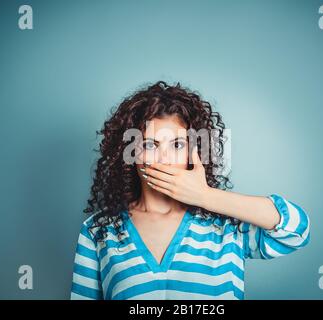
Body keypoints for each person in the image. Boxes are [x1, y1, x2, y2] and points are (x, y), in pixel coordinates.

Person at [70, 81, 310, 300]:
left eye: (177, 145)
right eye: (149, 145)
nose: (164, 158)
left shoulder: (228, 225)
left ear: (192, 152)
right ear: (131, 155)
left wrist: (204, 196)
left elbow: (297, 230)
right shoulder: (98, 231)